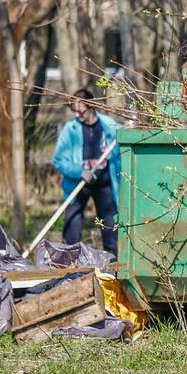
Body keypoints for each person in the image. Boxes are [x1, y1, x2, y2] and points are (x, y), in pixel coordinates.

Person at [53, 89, 122, 258]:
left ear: (91, 105)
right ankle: (68, 264)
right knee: (72, 227)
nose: (78, 114)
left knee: (109, 227)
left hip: (105, 183)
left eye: (81, 110)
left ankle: (112, 264)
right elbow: (59, 160)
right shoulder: (71, 129)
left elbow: (124, 139)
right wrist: (79, 172)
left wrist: (132, 129)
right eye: (74, 111)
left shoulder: (109, 125)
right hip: (79, 184)